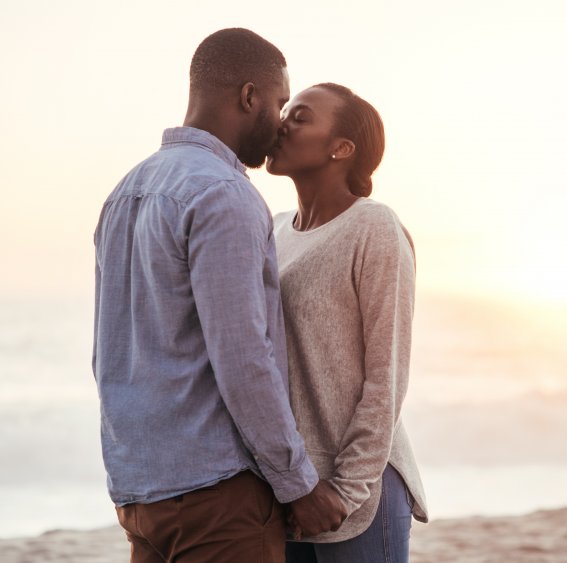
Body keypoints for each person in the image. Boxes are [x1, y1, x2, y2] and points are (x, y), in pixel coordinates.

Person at [92, 29, 346, 562]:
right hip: (217, 498)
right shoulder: (225, 195)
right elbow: (243, 358)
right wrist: (298, 483)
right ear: (249, 96)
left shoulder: (125, 192)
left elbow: (108, 353)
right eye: (279, 103)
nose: (280, 121)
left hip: (141, 498)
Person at [265, 83, 429, 562]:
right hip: (292, 491)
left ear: (341, 148)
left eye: (301, 117)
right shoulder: (272, 228)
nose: (283, 124)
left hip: (358, 495)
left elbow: (387, 376)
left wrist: (346, 490)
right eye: (286, 112)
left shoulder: (373, 228)